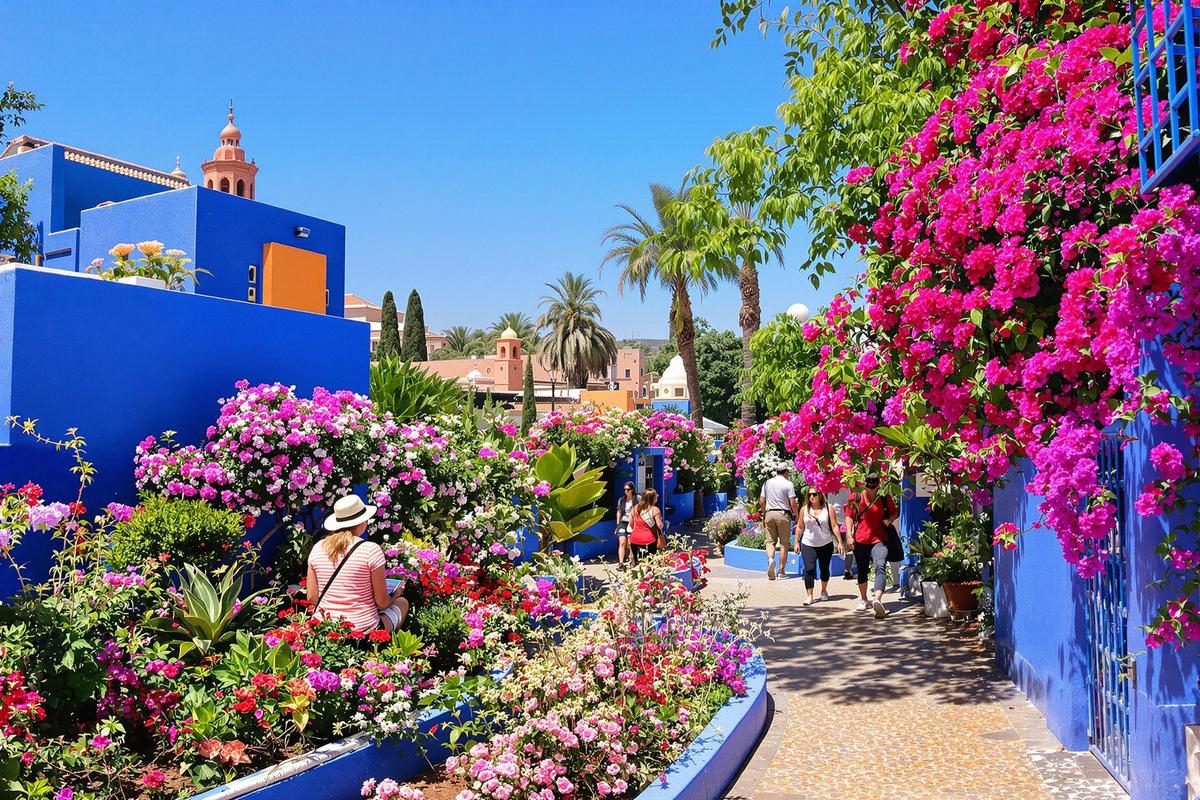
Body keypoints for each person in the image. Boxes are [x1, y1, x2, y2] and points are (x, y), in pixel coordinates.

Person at [307, 494, 408, 633]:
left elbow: (312, 597)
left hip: (325, 628)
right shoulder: (370, 550)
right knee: (402, 603)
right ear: (362, 522)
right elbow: (382, 602)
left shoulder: (318, 548)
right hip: (362, 631)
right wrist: (397, 593)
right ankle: (382, 648)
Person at [845, 473, 898, 619]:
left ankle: (877, 600)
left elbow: (894, 512)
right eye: (868, 487)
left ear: (878, 485)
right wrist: (849, 536)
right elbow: (849, 516)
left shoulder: (884, 497)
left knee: (880, 566)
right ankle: (864, 599)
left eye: (873, 487)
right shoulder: (855, 497)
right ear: (864, 485)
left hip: (880, 538)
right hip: (861, 539)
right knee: (862, 569)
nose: (870, 490)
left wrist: (889, 520)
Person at [794, 489, 845, 605]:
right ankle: (810, 596)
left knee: (824, 569)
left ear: (820, 495)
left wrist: (840, 542)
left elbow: (834, 526)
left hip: (825, 544)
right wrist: (796, 542)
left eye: (814, 494)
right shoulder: (804, 509)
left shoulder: (828, 508)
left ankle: (823, 590)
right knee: (809, 570)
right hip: (808, 544)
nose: (812, 496)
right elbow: (800, 527)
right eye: (810, 494)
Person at [759, 465, 800, 580]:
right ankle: (781, 571)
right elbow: (792, 502)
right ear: (786, 471)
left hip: (770, 513)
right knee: (784, 543)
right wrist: (796, 515)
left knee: (770, 541)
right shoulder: (788, 484)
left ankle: (771, 559)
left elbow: (762, 500)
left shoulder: (767, 483)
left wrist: (764, 513)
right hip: (783, 514)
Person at [628, 488, 664, 563]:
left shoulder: (634, 508)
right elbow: (660, 525)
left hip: (634, 539)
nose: (657, 496)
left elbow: (631, 525)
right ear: (653, 498)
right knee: (651, 562)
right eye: (656, 496)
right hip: (650, 540)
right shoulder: (655, 509)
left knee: (635, 561)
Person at [614, 481, 637, 567]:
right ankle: (621, 563)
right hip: (623, 522)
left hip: (633, 523)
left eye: (628, 489)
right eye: (625, 490)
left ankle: (632, 561)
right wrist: (617, 522)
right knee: (622, 542)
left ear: (632, 490)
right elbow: (619, 511)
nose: (626, 491)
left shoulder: (637, 498)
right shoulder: (621, 500)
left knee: (630, 543)